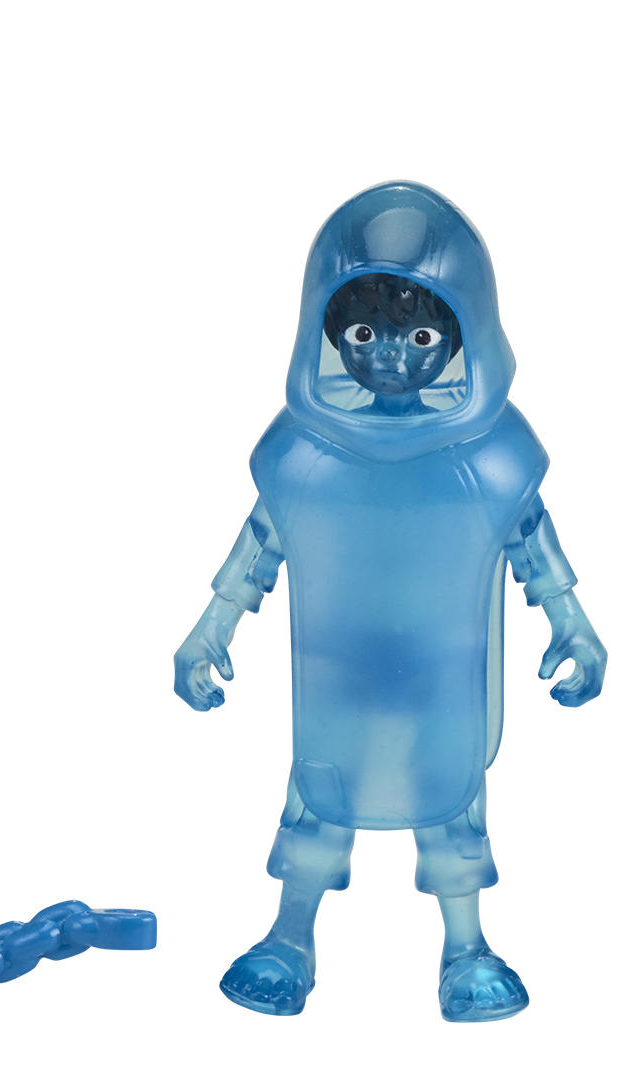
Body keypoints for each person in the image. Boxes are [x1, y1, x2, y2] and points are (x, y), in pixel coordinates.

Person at [174, 182, 606, 1021]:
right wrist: (210, 628)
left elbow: (529, 541)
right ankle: (289, 938)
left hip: (445, 675)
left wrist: (572, 622)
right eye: (365, 334)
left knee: (453, 806)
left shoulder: (489, 456)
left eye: (421, 335)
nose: (393, 358)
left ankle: (466, 948)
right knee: (315, 804)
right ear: (328, 335)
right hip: (335, 671)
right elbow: (262, 543)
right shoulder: (306, 454)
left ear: (465, 335)